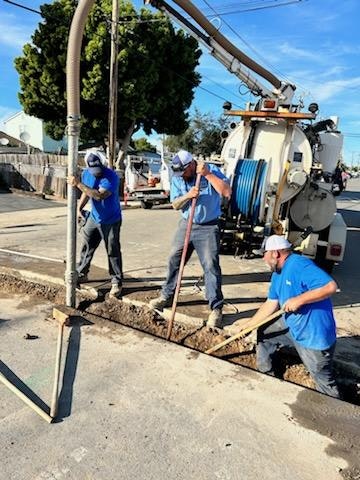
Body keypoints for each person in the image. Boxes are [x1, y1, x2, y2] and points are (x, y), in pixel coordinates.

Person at [149, 150, 231, 327]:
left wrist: (207, 175)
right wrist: (188, 196)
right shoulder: (178, 178)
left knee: (210, 265)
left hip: (209, 226)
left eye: (184, 171)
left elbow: (226, 192)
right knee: (174, 258)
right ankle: (166, 295)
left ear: (192, 165)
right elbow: (175, 204)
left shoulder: (212, 171)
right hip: (187, 224)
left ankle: (216, 307)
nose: (181, 175)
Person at [253, 234, 340, 398]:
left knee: (322, 380)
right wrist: (247, 325)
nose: (263, 259)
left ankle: (335, 413)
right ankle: (266, 374)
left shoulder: (299, 265)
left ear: (275, 253)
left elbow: (330, 287)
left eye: (264, 254)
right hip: (293, 325)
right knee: (265, 331)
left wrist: (299, 299)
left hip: (313, 336)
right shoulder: (277, 272)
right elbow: (270, 304)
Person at [67, 150, 123, 298]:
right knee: (87, 245)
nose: (96, 173)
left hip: (111, 219)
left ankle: (116, 281)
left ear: (102, 164)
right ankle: (82, 272)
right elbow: (87, 191)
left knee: (112, 250)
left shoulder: (111, 176)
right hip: (94, 217)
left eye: (97, 169)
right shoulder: (86, 173)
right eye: (93, 170)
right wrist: (80, 207)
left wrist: (77, 184)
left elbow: (98, 196)